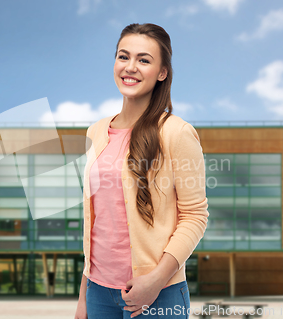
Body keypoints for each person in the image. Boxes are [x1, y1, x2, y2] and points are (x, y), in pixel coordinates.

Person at [74, 23, 209, 319]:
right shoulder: (96, 131)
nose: (130, 67)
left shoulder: (177, 133)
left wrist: (156, 280)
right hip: (98, 291)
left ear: (162, 72)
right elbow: (98, 221)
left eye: (144, 60)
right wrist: (84, 297)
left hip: (158, 294)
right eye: (123, 57)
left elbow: (195, 216)